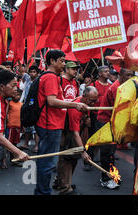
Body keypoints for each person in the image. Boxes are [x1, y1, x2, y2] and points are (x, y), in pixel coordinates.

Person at [34, 50, 88, 195]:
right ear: (52, 61)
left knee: (47, 162)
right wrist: (75, 105)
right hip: (49, 125)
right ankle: (43, 192)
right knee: (47, 163)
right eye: (62, 61)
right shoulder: (51, 77)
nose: (64, 64)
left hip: (52, 125)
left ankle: (42, 190)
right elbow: (51, 101)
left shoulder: (52, 77)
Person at [55, 86, 97, 195]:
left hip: (74, 133)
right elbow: (75, 133)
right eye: (91, 101)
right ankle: (64, 188)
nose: (93, 103)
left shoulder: (85, 104)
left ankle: (62, 182)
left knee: (73, 159)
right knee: (67, 160)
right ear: (84, 97)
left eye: (95, 101)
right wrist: (83, 152)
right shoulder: (75, 110)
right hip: (68, 134)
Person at [98, 67, 135, 189]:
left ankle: (112, 175)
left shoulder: (122, 86)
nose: (130, 78)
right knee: (107, 151)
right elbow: (121, 110)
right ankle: (105, 178)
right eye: (128, 75)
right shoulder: (117, 88)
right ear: (121, 75)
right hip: (106, 121)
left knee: (111, 152)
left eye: (132, 75)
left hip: (112, 122)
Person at [52, 61, 80, 190]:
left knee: (69, 154)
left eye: (77, 69)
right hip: (61, 122)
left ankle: (60, 180)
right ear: (67, 69)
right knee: (64, 154)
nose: (75, 71)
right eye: (73, 69)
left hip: (72, 121)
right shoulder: (59, 81)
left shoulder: (75, 83)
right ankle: (62, 183)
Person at [84, 65, 113, 170]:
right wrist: (87, 117)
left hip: (107, 117)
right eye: (105, 71)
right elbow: (86, 102)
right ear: (99, 73)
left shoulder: (111, 86)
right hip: (95, 115)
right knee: (93, 139)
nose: (108, 73)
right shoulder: (93, 85)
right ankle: (88, 161)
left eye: (108, 71)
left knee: (106, 141)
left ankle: (104, 161)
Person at [19, 65, 40, 152]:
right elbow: (22, 71)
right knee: (26, 125)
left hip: (34, 105)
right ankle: (26, 144)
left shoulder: (38, 81)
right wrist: (20, 62)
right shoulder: (27, 78)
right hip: (27, 104)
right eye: (31, 72)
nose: (32, 73)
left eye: (34, 72)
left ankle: (36, 146)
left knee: (34, 127)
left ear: (37, 73)